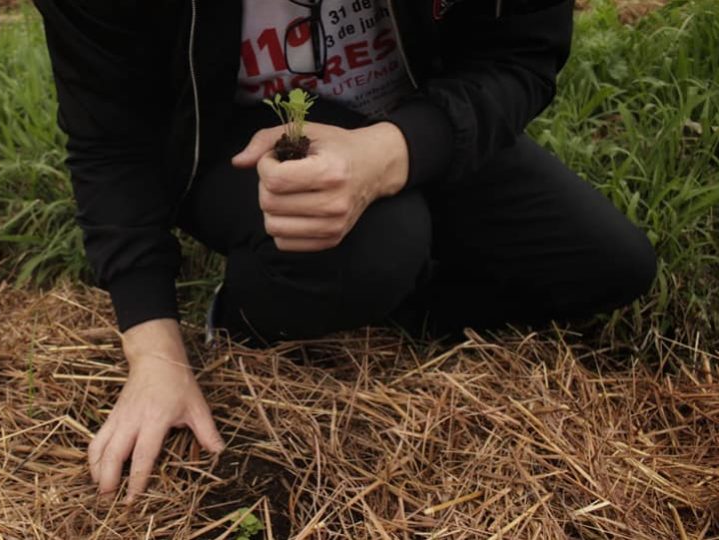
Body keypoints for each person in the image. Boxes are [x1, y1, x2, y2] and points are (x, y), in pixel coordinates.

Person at [33, 0, 657, 503]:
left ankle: (387, 280)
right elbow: (111, 143)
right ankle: (246, 311)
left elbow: (519, 56)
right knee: (381, 242)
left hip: (416, 114)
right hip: (230, 141)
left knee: (610, 266)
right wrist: (155, 355)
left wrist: (390, 155)